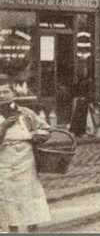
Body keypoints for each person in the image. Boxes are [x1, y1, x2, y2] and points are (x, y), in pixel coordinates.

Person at [1, 75, 52, 231]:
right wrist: (3, 127)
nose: (2, 95)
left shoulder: (25, 113)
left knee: (28, 189)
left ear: (14, 94)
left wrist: (39, 136)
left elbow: (45, 129)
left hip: (25, 157)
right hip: (3, 156)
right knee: (5, 190)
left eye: (6, 91)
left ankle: (32, 222)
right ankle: (11, 225)